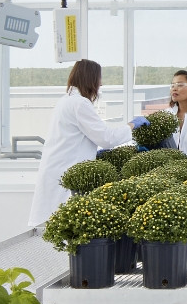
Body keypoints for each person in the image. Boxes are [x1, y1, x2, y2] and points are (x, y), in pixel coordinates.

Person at [27, 58, 136, 227]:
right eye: (99, 78)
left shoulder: (67, 100)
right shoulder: (79, 103)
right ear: (90, 79)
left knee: (59, 230)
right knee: (65, 231)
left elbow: (82, 136)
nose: (101, 84)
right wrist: (132, 126)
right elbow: (106, 138)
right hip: (64, 172)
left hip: (58, 169)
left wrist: (92, 152)